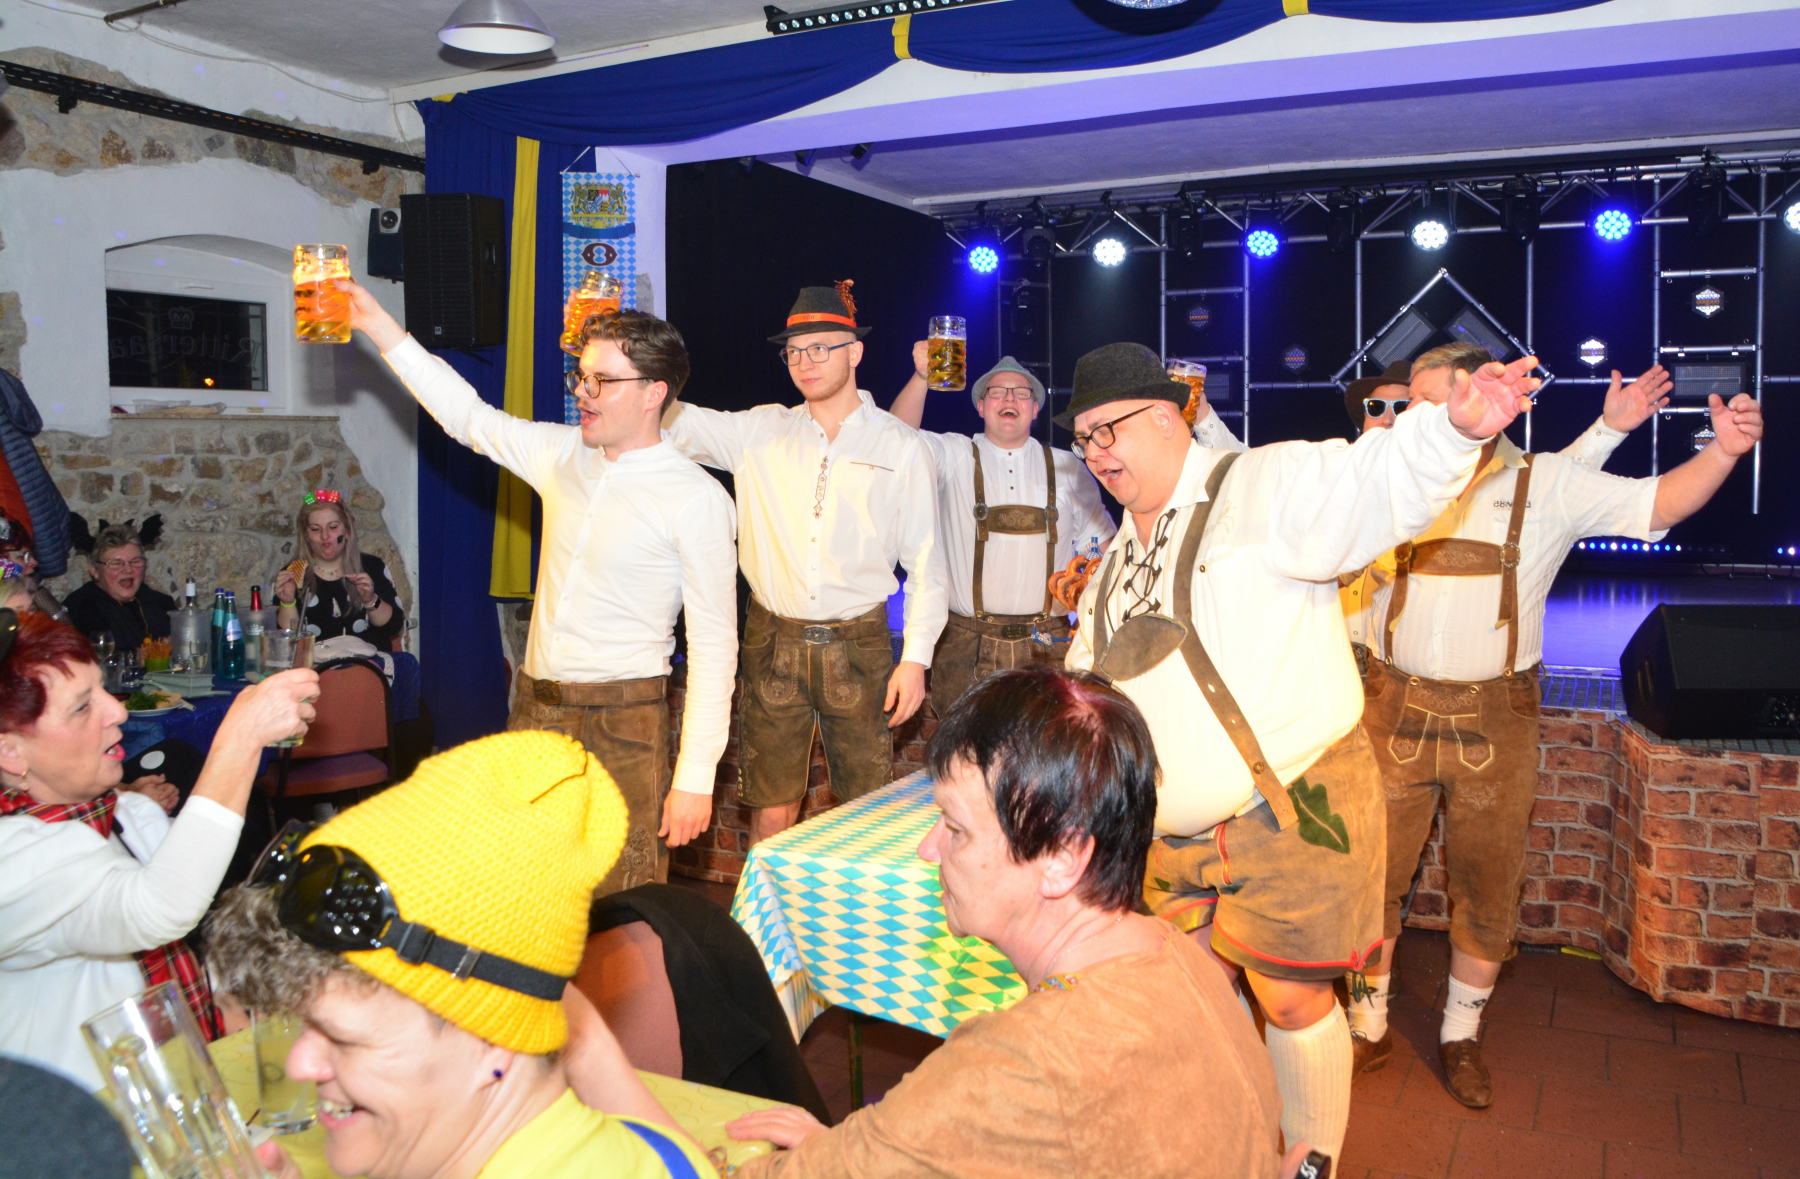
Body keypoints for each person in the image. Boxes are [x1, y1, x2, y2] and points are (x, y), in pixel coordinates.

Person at [1060, 340, 1538, 1163]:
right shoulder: (1116, 556)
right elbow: (1093, 679)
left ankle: (1314, 1164)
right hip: (1169, 836)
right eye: (1084, 438)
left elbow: (1371, 483)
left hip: (1289, 809)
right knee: (1187, 997)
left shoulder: (1261, 485)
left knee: (1290, 999)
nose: (1098, 451)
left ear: (1170, 416)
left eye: (1112, 428)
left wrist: (1450, 434)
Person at [567, 667, 1285, 1177]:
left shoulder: (1021, 1063)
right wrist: (860, 1153)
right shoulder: (1182, 959)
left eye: (956, 829)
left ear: (1064, 857)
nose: (928, 849)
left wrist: (592, 1051)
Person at [1345, 346, 1762, 1108]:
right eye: (1412, 409)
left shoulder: (1546, 484)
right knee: (1372, 875)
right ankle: (1367, 1024)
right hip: (1390, 709)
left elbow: (1657, 504)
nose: (1416, 423)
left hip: (1496, 720)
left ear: (1489, 402)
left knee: (1488, 884)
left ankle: (1460, 1035)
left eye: (1431, 406)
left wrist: (1725, 453)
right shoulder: (1381, 481)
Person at [339, 280, 736, 888]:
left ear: (654, 392)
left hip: (624, 726)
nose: (582, 392)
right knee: (524, 898)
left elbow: (714, 648)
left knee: (621, 904)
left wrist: (696, 777)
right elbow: (467, 418)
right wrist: (377, 324)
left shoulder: (696, 498)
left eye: (603, 381)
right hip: (536, 711)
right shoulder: (562, 454)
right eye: (582, 376)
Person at [205, 729, 715, 1179]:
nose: (299, 1063)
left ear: (492, 1041)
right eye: (307, 1026)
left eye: (343, 1038)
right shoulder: (648, 1149)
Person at [662, 282, 946, 845]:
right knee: (772, 806)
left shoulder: (901, 446)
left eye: (819, 347)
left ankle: (858, 904)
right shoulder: (759, 430)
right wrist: (628, 370)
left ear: (855, 352)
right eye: (793, 352)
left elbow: (926, 564)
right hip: (772, 639)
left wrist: (915, 659)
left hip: (860, 642)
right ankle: (766, 904)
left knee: (866, 807)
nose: (804, 362)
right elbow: (675, 421)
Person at [0, 611, 316, 1088]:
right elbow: (159, 907)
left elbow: (192, 911)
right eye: (82, 707)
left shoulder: (125, 814)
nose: (117, 711)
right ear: (10, 752)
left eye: (103, 689)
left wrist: (225, 995)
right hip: (81, 1120)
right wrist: (242, 736)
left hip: (178, 1086)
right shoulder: (13, 858)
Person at [1336, 352, 1674, 655]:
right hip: (1337, 672)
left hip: (1384, 671)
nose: (1393, 418)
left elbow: (1542, 488)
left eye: (1407, 406)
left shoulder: (1446, 480)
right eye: (1376, 407)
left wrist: (1609, 430)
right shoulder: (1336, 480)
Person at [887, 352, 1115, 713]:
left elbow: (1099, 546)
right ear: (981, 406)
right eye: (997, 392)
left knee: (1046, 747)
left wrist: (1090, 593)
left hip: (1048, 645)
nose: (1010, 398)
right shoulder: (953, 454)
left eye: (1021, 393)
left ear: (1035, 409)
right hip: (966, 647)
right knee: (966, 749)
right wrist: (920, 377)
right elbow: (895, 440)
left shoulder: (1069, 466)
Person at [272, 491, 405, 647]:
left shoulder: (371, 566)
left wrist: (370, 600)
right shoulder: (293, 574)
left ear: (347, 531)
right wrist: (287, 603)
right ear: (306, 536)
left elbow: (393, 627)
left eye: (333, 527)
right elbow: (287, 644)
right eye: (315, 529)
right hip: (316, 662)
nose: (325, 536)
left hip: (368, 660)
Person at [62, 522, 177, 652]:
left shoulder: (161, 603)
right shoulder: (83, 608)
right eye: (116, 563)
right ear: (94, 570)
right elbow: (95, 655)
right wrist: (144, 655)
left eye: (135, 561)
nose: (128, 570)